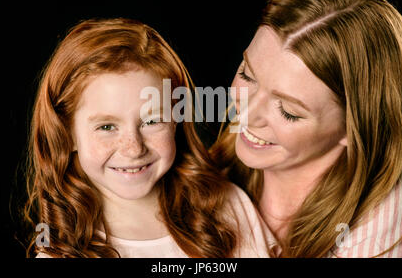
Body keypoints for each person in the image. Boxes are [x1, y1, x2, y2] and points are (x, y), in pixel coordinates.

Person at [23, 18, 272, 258]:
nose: (133, 148)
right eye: (107, 126)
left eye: (152, 121)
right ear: (68, 135)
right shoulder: (60, 254)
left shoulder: (227, 206)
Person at [210, 0, 402, 257]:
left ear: (355, 128)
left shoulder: (386, 199)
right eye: (248, 75)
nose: (247, 112)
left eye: (288, 111)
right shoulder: (213, 171)